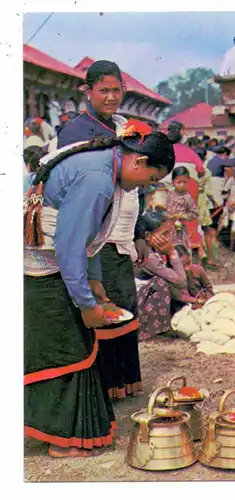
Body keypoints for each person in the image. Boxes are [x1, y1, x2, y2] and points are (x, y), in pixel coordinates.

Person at [24, 125, 175, 458]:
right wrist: (86, 304)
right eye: (150, 180)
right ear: (140, 161)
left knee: (74, 345)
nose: (145, 186)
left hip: (55, 265)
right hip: (40, 269)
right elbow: (69, 243)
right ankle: (60, 440)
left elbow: (90, 237)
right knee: (67, 349)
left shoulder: (109, 167)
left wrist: (92, 282)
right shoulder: (97, 178)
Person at [56, 60, 148, 400]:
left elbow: (136, 184)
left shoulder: (124, 127)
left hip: (121, 232)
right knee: (102, 306)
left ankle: (125, 381)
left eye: (116, 89)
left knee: (124, 303)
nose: (111, 96)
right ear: (87, 91)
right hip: (94, 233)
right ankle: (105, 386)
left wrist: (139, 232)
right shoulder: (75, 131)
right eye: (104, 90)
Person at [134, 211, 188, 341]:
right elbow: (181, 282)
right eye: (164, 234)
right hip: (136, 308)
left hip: (138, 303)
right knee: (161, 282)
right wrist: (172, 252)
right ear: (147, 235)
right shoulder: (148, 256)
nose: (168, 238)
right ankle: (157, 331)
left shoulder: (149, 250)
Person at [166, 166, 199, 251]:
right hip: (167, 227)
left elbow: (194, 214)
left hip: (179, 230)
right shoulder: (169, 194)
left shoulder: (187, 198)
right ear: (173, 182)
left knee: (179, 250)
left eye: (184, 182)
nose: (182, 185)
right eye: (179, 182)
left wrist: (181, 215)